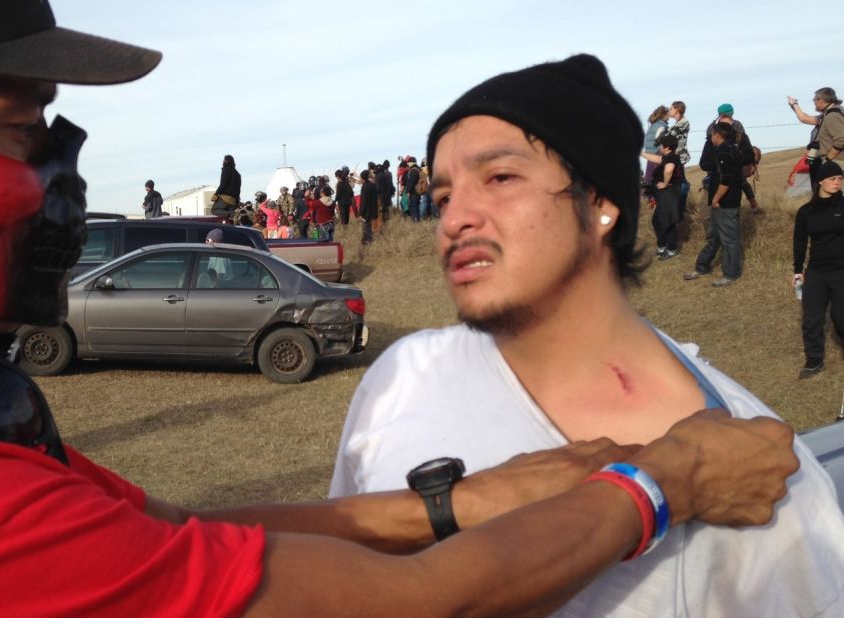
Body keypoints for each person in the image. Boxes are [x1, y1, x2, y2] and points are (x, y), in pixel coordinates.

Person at [0, 9, 804, 614]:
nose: (62, 179)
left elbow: (156, 533)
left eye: (500, 179)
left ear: (605, 204)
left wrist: (445, 508)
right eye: (23, 133)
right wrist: (666, 477)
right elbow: (409, 606)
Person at [329, 54, 844, 618]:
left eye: (500, 178)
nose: (453, 219)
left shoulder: (764, 481)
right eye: (445, 196)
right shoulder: (401, 376)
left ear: (599, 201)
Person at [792, 160, 844, 379]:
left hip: (841, 270)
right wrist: (797, 270)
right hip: (816, 272)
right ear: (820, 181)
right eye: (833, 179)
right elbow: (800, 242)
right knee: (811, 318)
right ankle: (814, 360)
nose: (837, 182)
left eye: (840, 179)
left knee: (840, 317)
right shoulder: (806, 212)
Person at [685, 122, 745, 287]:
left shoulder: (725, 153)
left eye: (712, 135)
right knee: (715, 237)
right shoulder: (734, 149)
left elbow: (725, 181)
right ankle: (702, 266)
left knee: (729, 240)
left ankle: (731, 274)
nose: (710, 138)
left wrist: (716, 199)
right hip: (727, 201)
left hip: (725, 203)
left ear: (718, 135)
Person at [788, 87, 844, 193]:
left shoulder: (832, 115)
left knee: (827, 195)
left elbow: (841, 140)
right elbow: (804, 118)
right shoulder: (828, 114)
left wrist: (827, 160)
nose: (814, 103)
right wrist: (794, 105)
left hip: (832, 161)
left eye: (814, 100)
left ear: (821, 100)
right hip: (827, 161)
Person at [641, 135, 684, 259]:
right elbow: (657, 159)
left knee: (668, 222)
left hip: (668, 194)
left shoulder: (672, 158)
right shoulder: (668, 157)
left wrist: (665, 183)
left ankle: (671, 250)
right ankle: (662, 246)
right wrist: (641, 153)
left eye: (661, 145)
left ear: (667, 147)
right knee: (658, 221)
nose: (659, 147)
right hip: (664, 195)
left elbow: (669, 170)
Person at [664, 101, 692, 217]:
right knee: (678, 181)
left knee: (681, 182)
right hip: (675, 156)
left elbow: (669, 136)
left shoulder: (683, 122)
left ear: (677, 110)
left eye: (671, 108)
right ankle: (679, 207)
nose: (669, 110)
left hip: (680, 157)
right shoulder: (677, 123)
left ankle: (680, 207)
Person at [642, 105, 668, 186]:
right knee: (657, 180)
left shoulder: (653, 125)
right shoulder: (661, 126)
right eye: (668, 114)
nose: (669, 116)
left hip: (649, 155)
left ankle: (650, 196)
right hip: (657, 155)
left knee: (649, 179)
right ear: (663, 115)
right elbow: (659, 140)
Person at [211, 154, 241, 220]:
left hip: (225, 198)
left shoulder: (225, 170)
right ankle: (232, 214)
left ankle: (232, 213)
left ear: (226, 161)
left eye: (224, 160)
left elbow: (223, 184)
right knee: (228, 219)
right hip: (234, 200)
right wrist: (237, 201)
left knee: (214, 210)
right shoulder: (238, 174)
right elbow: (238, 189)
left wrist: (216, 194)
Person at [358, 168, 378, 244]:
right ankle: (365, 241)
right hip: (373, 209)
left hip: (366, 211)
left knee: (366, 227)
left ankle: (369, 241)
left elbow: (363, 201)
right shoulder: (372, 185)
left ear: (362, 177)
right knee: (368, 226)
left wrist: (360, 214)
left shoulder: (364, 187)